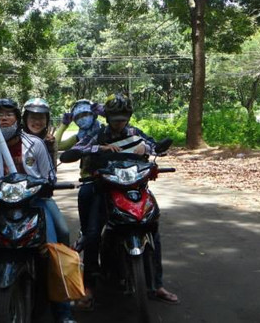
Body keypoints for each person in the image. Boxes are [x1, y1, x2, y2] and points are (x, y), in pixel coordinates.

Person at [0, 98, 76, 323]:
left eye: (8, 114)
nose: (4, 119)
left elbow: (49, 175)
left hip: (36, 203)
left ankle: (63, 311)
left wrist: (46, 184)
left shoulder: (36, 144)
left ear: (17, 119)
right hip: (0, 206)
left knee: (56, 242)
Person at [71, 93, 179, 310]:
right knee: (92, 234)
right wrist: (99, 148)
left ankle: (157, 284)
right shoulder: (97, 135)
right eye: (115, 118)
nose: (119, 122)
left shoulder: (135, 133)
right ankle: (89, 286)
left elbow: (155, 145)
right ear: (107, 116)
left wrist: (147, 148)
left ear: (129, 116)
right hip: (104, 190)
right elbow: (77, 150)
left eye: (123, 117)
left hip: (133, 190)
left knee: (152, 229)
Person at [22, 97, 58, 163]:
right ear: (25, 119)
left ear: (47, 120)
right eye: (33, 117)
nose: (37, 122)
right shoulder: (18, 139)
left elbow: (52, 167)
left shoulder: (50, 141)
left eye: (41, 118)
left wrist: (49, 149)